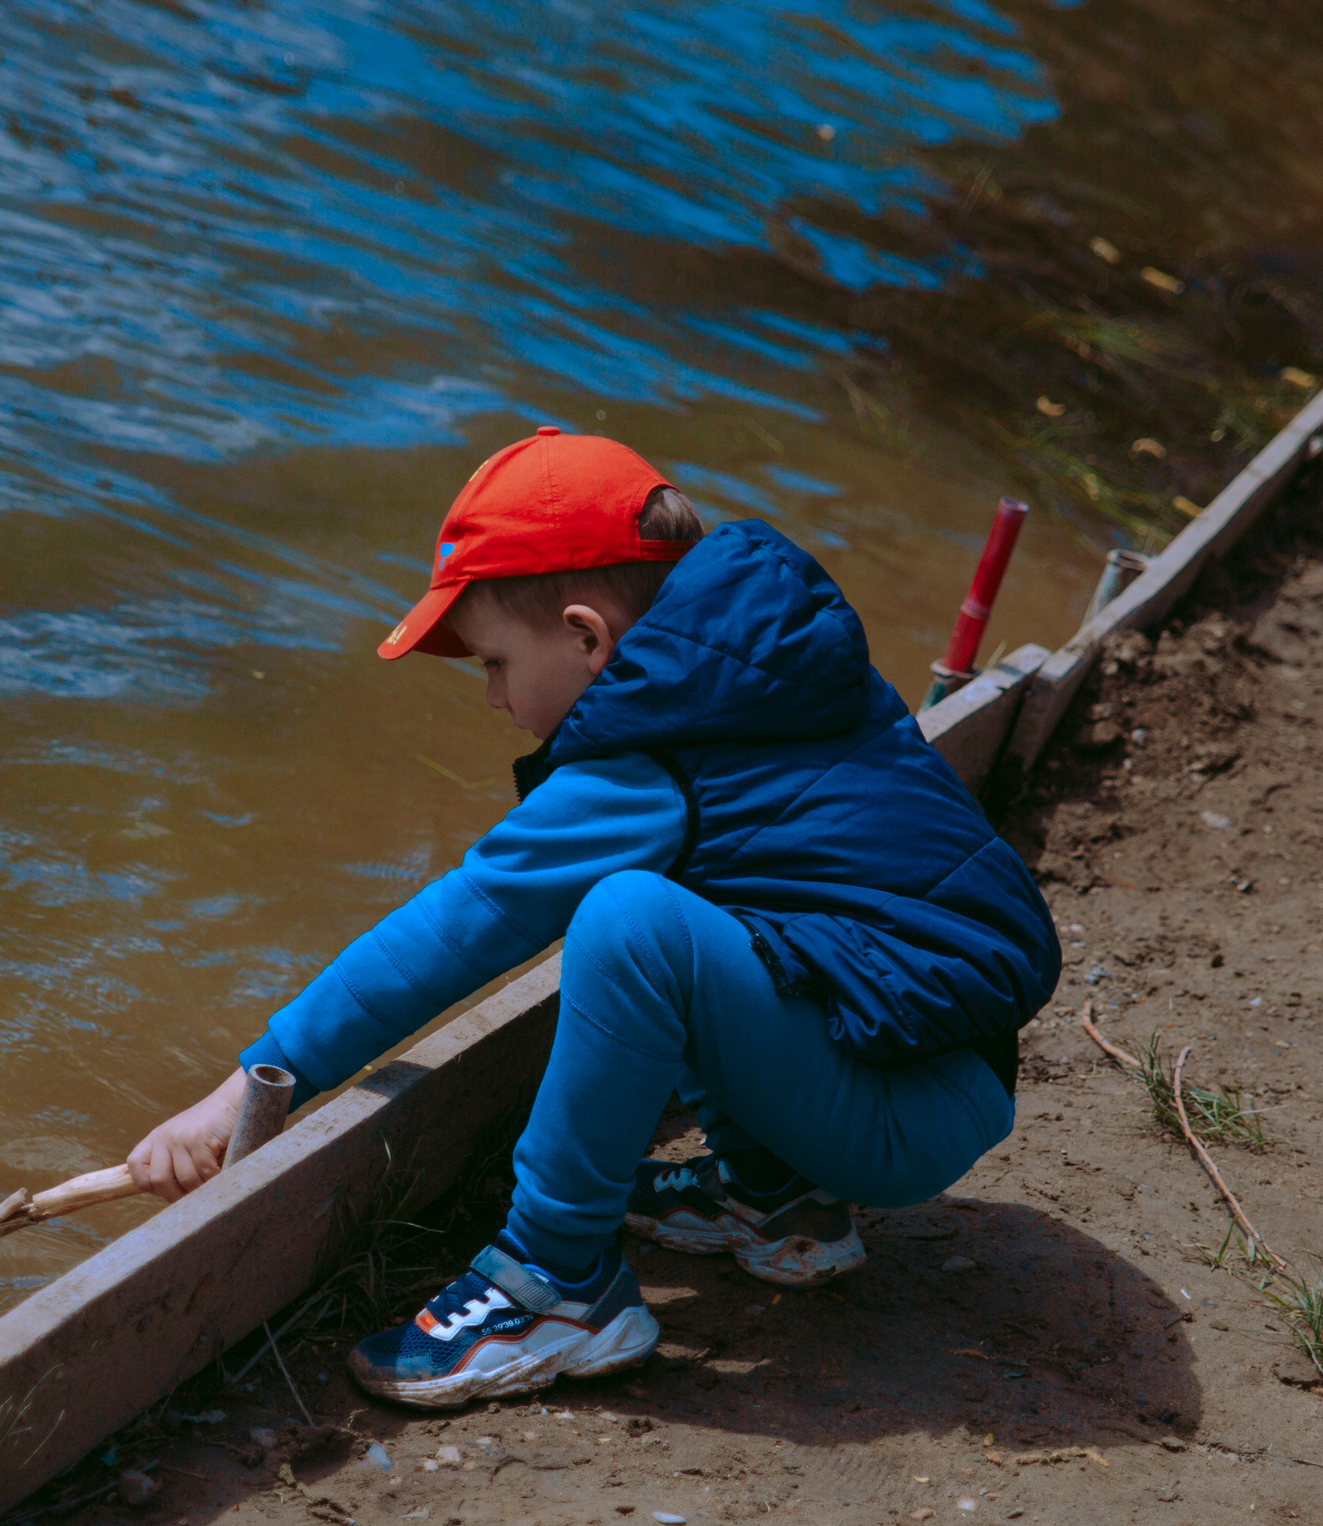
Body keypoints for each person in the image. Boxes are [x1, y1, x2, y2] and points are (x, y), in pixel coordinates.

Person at [126, 427, 1060, 1409]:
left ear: (585, 636)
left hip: (894, 1108)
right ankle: (781, 1204)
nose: (491, 697)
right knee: (703, 908)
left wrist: (251, 1085)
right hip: (931, 1063)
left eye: (492, 662)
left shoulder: (651, 758)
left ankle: (557, 1284)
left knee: (628, 921)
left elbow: (466, 919)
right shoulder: (760, 676)